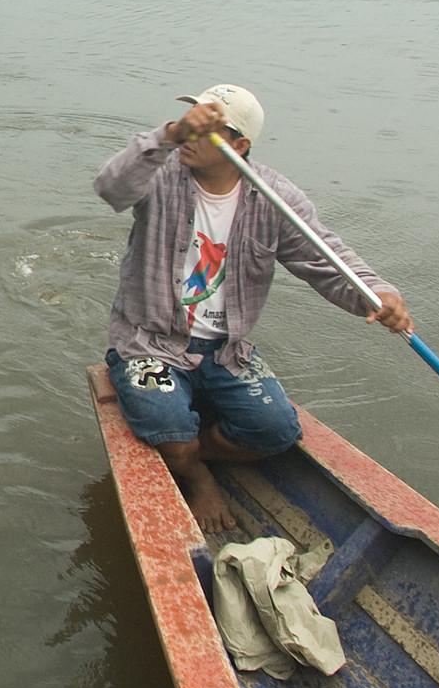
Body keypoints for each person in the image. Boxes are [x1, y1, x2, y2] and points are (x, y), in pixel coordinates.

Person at [94, 84, 412, 533]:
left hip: (227, 349)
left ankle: (187, 449)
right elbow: (109, 186)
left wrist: (379, 296)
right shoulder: (160, 175)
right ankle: (195, 473)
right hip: (152, 342)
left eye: (206, 129)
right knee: (167, 424)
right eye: (190, 122)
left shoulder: (273, 197)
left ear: (239, 145)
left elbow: (326, 258)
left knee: (276, 431)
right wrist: (168, 134)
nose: (190, 135)